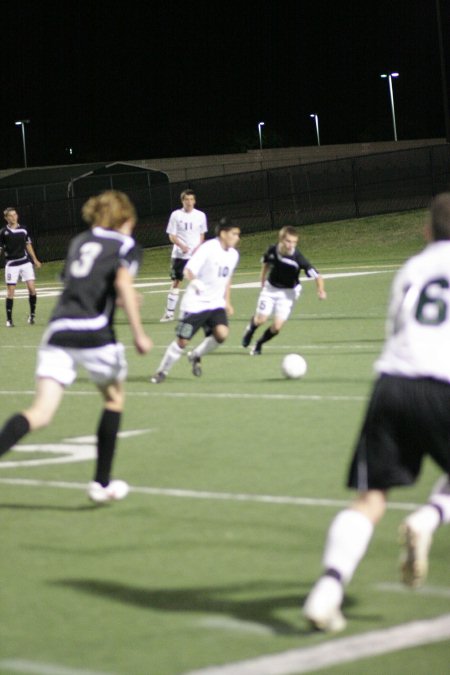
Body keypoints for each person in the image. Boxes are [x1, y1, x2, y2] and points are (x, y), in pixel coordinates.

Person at [303, 192, 450, 632]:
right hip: (442, 384)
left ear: (426, 230)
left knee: (370, 499)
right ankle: (427, 519)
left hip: (392, 383)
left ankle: (327, 589)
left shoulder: (411, 268)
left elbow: (399, 327)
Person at [0, 191, 153, 503]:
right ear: (123, 220)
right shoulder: (125, 245)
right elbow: (121, 284)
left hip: (58, 330)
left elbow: (78, 282)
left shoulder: (79, 241)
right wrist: (138, 332)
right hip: (94, 332)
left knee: (40, 413)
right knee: (113, 399)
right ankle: (101, 483)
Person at [151, 217, 240, 383]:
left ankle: (195, 355)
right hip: (195, 305)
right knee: (183, 340)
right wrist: (196, 282)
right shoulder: (207, 248)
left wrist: (227, 300)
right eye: (234, 234)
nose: (237, 238)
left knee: (222, 334)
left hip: (215, 304)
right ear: (223, 233)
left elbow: (228, 277)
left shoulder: (234, 255)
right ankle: (162, 371)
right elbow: (188, 270)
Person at [241, 225, 326, 355]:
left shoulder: (298, 258)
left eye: (294, 242)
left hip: (288, 293)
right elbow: (266, 264)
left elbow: (317, 275)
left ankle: (259, 344)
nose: (291, 245)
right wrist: (262, 280)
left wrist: (320, 290)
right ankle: (250, 330)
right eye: (288, 241)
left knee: (277, 327)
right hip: (270, 289)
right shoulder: (272, 250)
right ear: (281, 239)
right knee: (261, 319)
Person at [160, 189, 208, 322]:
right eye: (187, 199)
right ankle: (169, 313)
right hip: (180, 255)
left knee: (199, 282)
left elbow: (202, 234)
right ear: (182, 201)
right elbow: (171, 235)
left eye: (192, 199)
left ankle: (202, 312)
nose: (189, 202)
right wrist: (182, 246)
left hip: (195, 256)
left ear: (195, 201)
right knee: (176, 282)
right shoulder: (176, 215)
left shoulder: (200, 215)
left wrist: (199, 248)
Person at [0, 206, 42, 326]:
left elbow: (28, 245)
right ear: (6, 218)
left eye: (15, 214)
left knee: (32, 289)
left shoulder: (24, 229)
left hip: (25, 262)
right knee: (10, 292)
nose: (13, 217)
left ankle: (32, 316)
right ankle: (9, 320)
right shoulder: (3, 232)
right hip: (11, 264)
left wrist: (35, 259)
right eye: (10, 215)